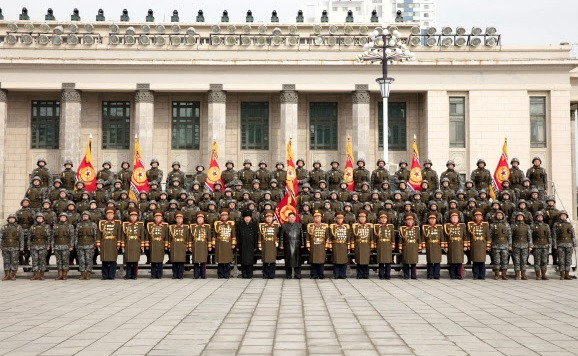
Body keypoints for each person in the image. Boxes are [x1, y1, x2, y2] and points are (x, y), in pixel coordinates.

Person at [97, 207, 122, 280]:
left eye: (111, 214)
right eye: (108, 214)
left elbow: (119, 233)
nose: (109, 216)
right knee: (104, 260)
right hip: (104, 242)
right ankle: (104, 275)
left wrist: (119, 242)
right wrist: (98, 242)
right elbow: (99, 233)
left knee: (113, 260)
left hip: (113, 242)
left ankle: (111, 275)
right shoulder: (102, 223)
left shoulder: (117, 223)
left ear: (114, 215)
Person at [279, 212, 304, 279]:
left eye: (293, 217)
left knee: (297, 261)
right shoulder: (284, 225)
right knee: (288, 261)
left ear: (295, 218)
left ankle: (297, 274)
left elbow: (302, 235)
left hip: (297, 245)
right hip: (288, 245)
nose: (291, 218)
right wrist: (281, 245)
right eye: (290, 217)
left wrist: (302, 244)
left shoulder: (299, 225)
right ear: (288, 218)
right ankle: (288, 275)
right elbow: (281, 236)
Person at [467, 209, 490, 280]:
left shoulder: (485, 225)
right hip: (474, 244)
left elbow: (488, 236)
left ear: (482, 217)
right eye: (476, 216)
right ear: (474, 217)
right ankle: (475, 275)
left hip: (482, 244)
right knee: (475, 260)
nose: (478, 217)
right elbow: (468, 236)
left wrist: (488, 245)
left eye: (479, 216)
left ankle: (482, 275)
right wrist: (467, 245)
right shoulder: (470, 224)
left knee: (482, 261)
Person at [444, 210, 468, 280]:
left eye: (456, 217)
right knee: (452, 261)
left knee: (459, 261)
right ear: (450, 218)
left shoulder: (462, 226)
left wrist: (465, 245)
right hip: (451, 245)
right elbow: (445, 237)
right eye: (453, 217)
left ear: (458, 218)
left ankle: (459, 275)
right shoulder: (447, 226)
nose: (454, 219)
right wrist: (445, 246)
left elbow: (465, 236)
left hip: (459, 245)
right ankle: (452, 275)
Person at [552, 210, 576, 280]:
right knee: (561, 260)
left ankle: (567, 274)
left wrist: (574, 245)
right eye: (562, 215)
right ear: (559, 216)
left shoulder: (569, 224)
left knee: (568, 260)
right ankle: (562, 275)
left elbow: (573, 235)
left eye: (564, 215)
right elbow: (554, 235)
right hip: (560, 245)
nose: (563, 217)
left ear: (566, 216)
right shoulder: (556, 224)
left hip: (568, 244)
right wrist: (555, 244)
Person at [489, 211, 512, 280]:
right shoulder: (492, 225)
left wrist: (510, 245)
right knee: (496, 261)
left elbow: (509, 235)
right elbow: (490, 236)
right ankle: (496, 274)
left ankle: (504, 275)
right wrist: (489, 244)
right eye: (498, 215)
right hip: (496, 245)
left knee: (504, 261)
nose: (499, 216)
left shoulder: (507, 225)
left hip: (505, 245)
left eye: (500, 215)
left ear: (503, 216)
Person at [122, 209, 144, 280]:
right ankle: (128, 274)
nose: (133, 217)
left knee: (135, 260)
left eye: (135, 216)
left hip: (136, 243)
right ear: (129, 217)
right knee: (128, 260)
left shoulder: (140, 225)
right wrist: (122, 244)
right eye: (132, 216)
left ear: (137, 217)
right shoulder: (125, 224)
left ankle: (134, 275)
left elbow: (142, 235)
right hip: (128, 243)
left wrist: (142, 244)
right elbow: (123, 235)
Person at [214, 209, 236, 279]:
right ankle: (220, 274)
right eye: (222, 215)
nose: (224, 217)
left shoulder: (231, 223)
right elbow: (214, 234)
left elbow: (233, 234)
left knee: (227, 260)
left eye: (225, 215)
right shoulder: (217, 224)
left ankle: (227, 274)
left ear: (228, 216)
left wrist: (233, 243)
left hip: (228, 243)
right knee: (220, 260)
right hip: (219, 243)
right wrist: (213, 243)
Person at [0, 214, 24, 281]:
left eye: (13, 218)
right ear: (8, 219)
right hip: (5, 247)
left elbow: (21, 238)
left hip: (15, 247)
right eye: (10, 218)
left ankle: (13, 275)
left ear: (15, 219)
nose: (11, 219)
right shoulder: (4, 227)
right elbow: (1, 237)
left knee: (14, 261)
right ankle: (6, 275)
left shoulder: (19, 227)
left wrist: (21, 246)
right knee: (6, 261)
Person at [52, 213, 75, 280]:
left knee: (65, 261)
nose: (62, 218)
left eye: (64, 217)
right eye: (61, 217)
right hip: (57, 246)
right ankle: (60, 274)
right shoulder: (55, 226)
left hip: (66, 246)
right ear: (59, 218)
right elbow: (53, 237)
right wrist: (52, 246)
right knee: (59, 261)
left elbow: (72, 237)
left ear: (66, 218)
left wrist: (71, 246)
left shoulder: (70, 226)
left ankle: (65, 274)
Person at [307, 210, 329, 279]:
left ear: (321, 218)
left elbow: (327, 236)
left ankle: (321, 274)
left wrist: (326, 245)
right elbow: (308, 237)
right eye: (316, 217)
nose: (317, 218)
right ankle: (313, 274)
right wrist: (308, 245)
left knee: (321, 260)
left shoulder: (325, 226)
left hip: (321, 245)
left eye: (318, 217)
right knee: (313, 260)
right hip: (313, 244)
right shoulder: (310, 226)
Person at [146, 210, 168, 279]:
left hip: (161, 244)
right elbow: (147, 235)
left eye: (159, 217)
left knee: (160, 260)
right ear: (154, 218)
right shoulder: (150, 225)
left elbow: (167, 236)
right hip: (153, 243)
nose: (158, 218)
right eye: (156, 217)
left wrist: (166, 245)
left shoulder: (165, 225)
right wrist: (147, 244)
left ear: (161, 218)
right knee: (153, 260)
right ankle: (153, 274)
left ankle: (159, 274)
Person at [329, 211, 351, 279]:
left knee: (343, 260)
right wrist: (330, 245)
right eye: (338, 218)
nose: (339, 220)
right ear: (336, 219)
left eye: (341, 218)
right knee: (336, 260)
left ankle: (343, 274)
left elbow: (348, 237)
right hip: (336, 244)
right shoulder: (332, 226)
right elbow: (330, 237)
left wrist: (349, 246)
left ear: (343, 219)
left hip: (344, 245)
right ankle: (336, 274)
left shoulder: (346, 226)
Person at [511, 212, 532, 280]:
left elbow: (529, 237)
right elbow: (510, 236)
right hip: (516, 245)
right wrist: (510, 245)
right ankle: (517, 274)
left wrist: (530, 245)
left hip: (525, 246)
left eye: (521, 217)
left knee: (524, 260)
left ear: (523, 218)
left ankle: (523, 274)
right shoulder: (513, 226)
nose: (520, 218)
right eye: (518, 217)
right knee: (516, 261)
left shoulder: (527, 226)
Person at [422, 212, 444, 280]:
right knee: (430, 261)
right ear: (428, 220)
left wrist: (443, 245)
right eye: (430, 219)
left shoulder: (439, 227)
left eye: (433, 219)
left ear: (436, 219)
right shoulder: (425, 227)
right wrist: (423, 245)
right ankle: (430, 274)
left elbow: (442, 237)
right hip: (429, 245)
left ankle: (436, 274)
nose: (432, 220)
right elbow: (423, 237)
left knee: (437, 261)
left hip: (437, 245)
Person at [29, 213, 51, 280]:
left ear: (43, 219)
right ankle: (35, 275)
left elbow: (49, 237)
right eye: (38, 218)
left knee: (42, 261)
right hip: (34, 246)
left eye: (41, 218)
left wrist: (48, 245)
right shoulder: (32, 227)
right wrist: (28, 245)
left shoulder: (46, 227)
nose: (39, 219)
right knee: (34, 260)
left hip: (43, 246)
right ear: (36, 219)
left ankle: (41, 275)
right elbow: (29, 237)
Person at [237, 210, 258, 279]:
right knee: (243, 260)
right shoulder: (240, 226)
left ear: (251, 218)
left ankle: (250, 273)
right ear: (243, 218)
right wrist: (237, 246)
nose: (247, 219)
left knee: (250, 260)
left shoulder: (254, 226)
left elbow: (255, 237)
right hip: (242, 245)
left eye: (248, 217)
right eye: (246, 217)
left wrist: (255, 246)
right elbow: (238, 237)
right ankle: (244, 273)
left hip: (251, 245)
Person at [169, 212, 190, 279]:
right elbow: (169, 237)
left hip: (182, 245)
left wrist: (188, 245)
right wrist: (169, 245)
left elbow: (187, 237)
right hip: (174, 245)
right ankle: (175, 275)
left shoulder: (186, 227)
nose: (179, 220)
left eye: (180, 218)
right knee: (174, 261)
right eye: (177, 218)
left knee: (181, 261)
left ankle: (180, 275)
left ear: (182, 219)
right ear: (175, 219)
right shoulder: (171, 227)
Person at [352, 211, 373, 279]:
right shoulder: (355, 226)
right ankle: (359, 274)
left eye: (363, 217)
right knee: (359, 260)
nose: (362, 219)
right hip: (358, 245)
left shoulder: (369, 226)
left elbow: (371, 236)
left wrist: (372, 244)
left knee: (366, 260)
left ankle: (366, 274)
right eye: (360, 217)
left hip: (366, 245)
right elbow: (353, 236)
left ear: (366, 218)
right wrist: (353, 245)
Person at [259, 211, 279, 279]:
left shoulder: (276, 225)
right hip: (265, 244)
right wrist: (259, 245)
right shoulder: (261, 225)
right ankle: (265, 274)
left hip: (273, 245)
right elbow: (259, 236)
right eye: (267, 217)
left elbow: (278, 235)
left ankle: (271, 274)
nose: (269, 219)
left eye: (270, 217)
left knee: (272, 260)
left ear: (272, 218)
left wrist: (277, 241)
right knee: (265, 260)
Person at [190, 212, 211, 279]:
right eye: (198, 218)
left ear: (203, 219)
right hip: (195, 244)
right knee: (195, 260)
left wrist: (209, 245)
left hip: (203, 244)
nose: (199, 220)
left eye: (201, 218)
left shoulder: (207, 226)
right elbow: (190, 237)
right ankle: (196, 275)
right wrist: (190, 245)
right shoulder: (192, 226)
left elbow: (209, 236)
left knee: (203, 261)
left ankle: (203, 275)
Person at [76, 211, 97, 280]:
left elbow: (95, 235)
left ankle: (88, 274)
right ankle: (82, 274)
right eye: (84, 216)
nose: (85, 217)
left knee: (89, 260)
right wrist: (76, 244)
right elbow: (76, 235)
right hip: (80, 245)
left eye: (86, 216)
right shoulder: (79, 225)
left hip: (90, 245)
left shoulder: (93, 225)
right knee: (81, 260)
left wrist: (95, 244)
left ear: (89, 217)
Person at [399, 214, 421, 279]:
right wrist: (400, 247)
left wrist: (420, 247)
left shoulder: (416, 229)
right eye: (408, 220)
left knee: (413, 262)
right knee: (406, 261)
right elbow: (401, 239)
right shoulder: (403, 229)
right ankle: (406, 275)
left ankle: (413, 275)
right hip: (406, 246)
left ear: (413, 221)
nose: (409, 222)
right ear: (406, 221)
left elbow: (419, 238)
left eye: (411, 220)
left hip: (414, 246)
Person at [531, 211, 551, 280]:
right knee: (537, 261)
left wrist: (550, 243)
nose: (540, 218)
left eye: (541, 217)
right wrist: (531, 244)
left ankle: (544, 274)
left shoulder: (546, 226)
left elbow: (549, 235)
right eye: (538, 217)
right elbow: (530, 236)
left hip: (545, 246)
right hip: (536, 246)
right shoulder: (533, 226)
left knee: (544, 261)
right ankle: (538, 275)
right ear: (536, 218)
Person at [374, 212, 394, 280]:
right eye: (381, 218)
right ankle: (381, 275)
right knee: (381, 261)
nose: (383, 220)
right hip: (380, 244)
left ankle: (388, 275)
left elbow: (392, 236)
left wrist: (393, 244)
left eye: (384, 218)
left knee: (388, 261)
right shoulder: (376, 226)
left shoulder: (390, 226)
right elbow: (375, 237)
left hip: (388, 244)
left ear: (387, 219)